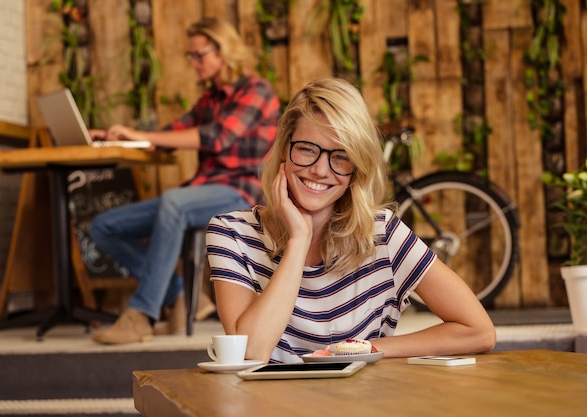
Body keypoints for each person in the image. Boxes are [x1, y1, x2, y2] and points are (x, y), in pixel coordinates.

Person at [206, 77, 496, 364]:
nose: (320, 170)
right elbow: (250, 353)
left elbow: (479, 332)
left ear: (356, 168)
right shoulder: (232, 234)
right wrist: (298, 242)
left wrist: (369, 349)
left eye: (341, 156)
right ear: (284, 148)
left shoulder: (381, 233)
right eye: (307, 149)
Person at [89, 17, 280, 344]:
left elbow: (218, 136)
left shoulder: (257, 90)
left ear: (222, 52)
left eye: (199, 55)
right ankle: (179, 297)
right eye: (190, 56)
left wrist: (142, 135)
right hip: (203, 190)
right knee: (104, 227)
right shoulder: (209, 100)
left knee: (173, 202)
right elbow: (171, 133)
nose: (194, 63)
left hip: (241, 191)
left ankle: (142, 315)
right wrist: (117, 137)